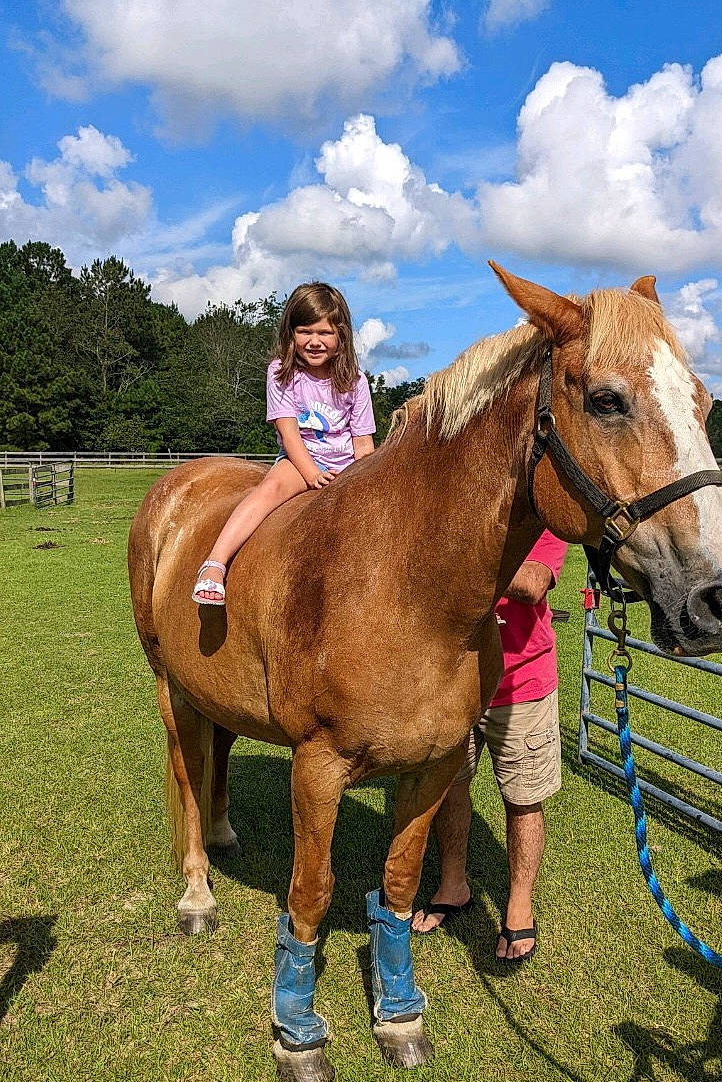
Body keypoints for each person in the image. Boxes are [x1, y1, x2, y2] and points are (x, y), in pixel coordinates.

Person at [412, 530, 568, 962]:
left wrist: (451, 550)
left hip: (523, 683)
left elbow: (532, 584)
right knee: (450, 785)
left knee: (523, 798)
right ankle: (453, 885)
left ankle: (519, 903)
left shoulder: (543, 522)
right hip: (457, 681)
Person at [192, 282, 376, 605]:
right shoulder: (281, 373)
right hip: (300, 459)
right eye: (305, 331)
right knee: (269, 490)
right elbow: (289, 433)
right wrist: (312, 474)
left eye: (325, 333)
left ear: (341, 336)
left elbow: (363, 445)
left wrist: (364, 481)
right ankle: (215, 563)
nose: (315, 341)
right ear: (291, 334)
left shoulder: (356, 382)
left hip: (347, 466)